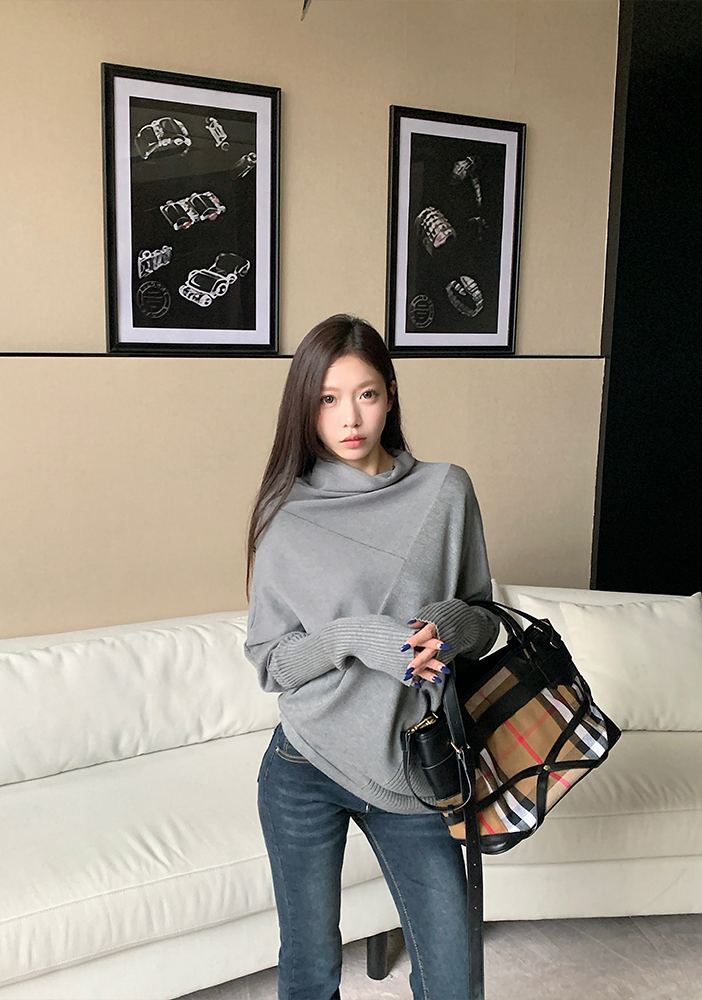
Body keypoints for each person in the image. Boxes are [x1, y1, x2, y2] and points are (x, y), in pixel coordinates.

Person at [243, 314, 499, 1000]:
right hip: (304, 767)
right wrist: (355, 637)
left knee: (453, 980)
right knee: (308, 971)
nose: (349, 418)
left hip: (409, 769)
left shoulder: (445, 491)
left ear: (390, 395)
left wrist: (446, 624)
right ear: (306, 408)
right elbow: (272, 664)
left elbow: (484, 619)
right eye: (328, 399)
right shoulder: (285, 515)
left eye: (366, 395)